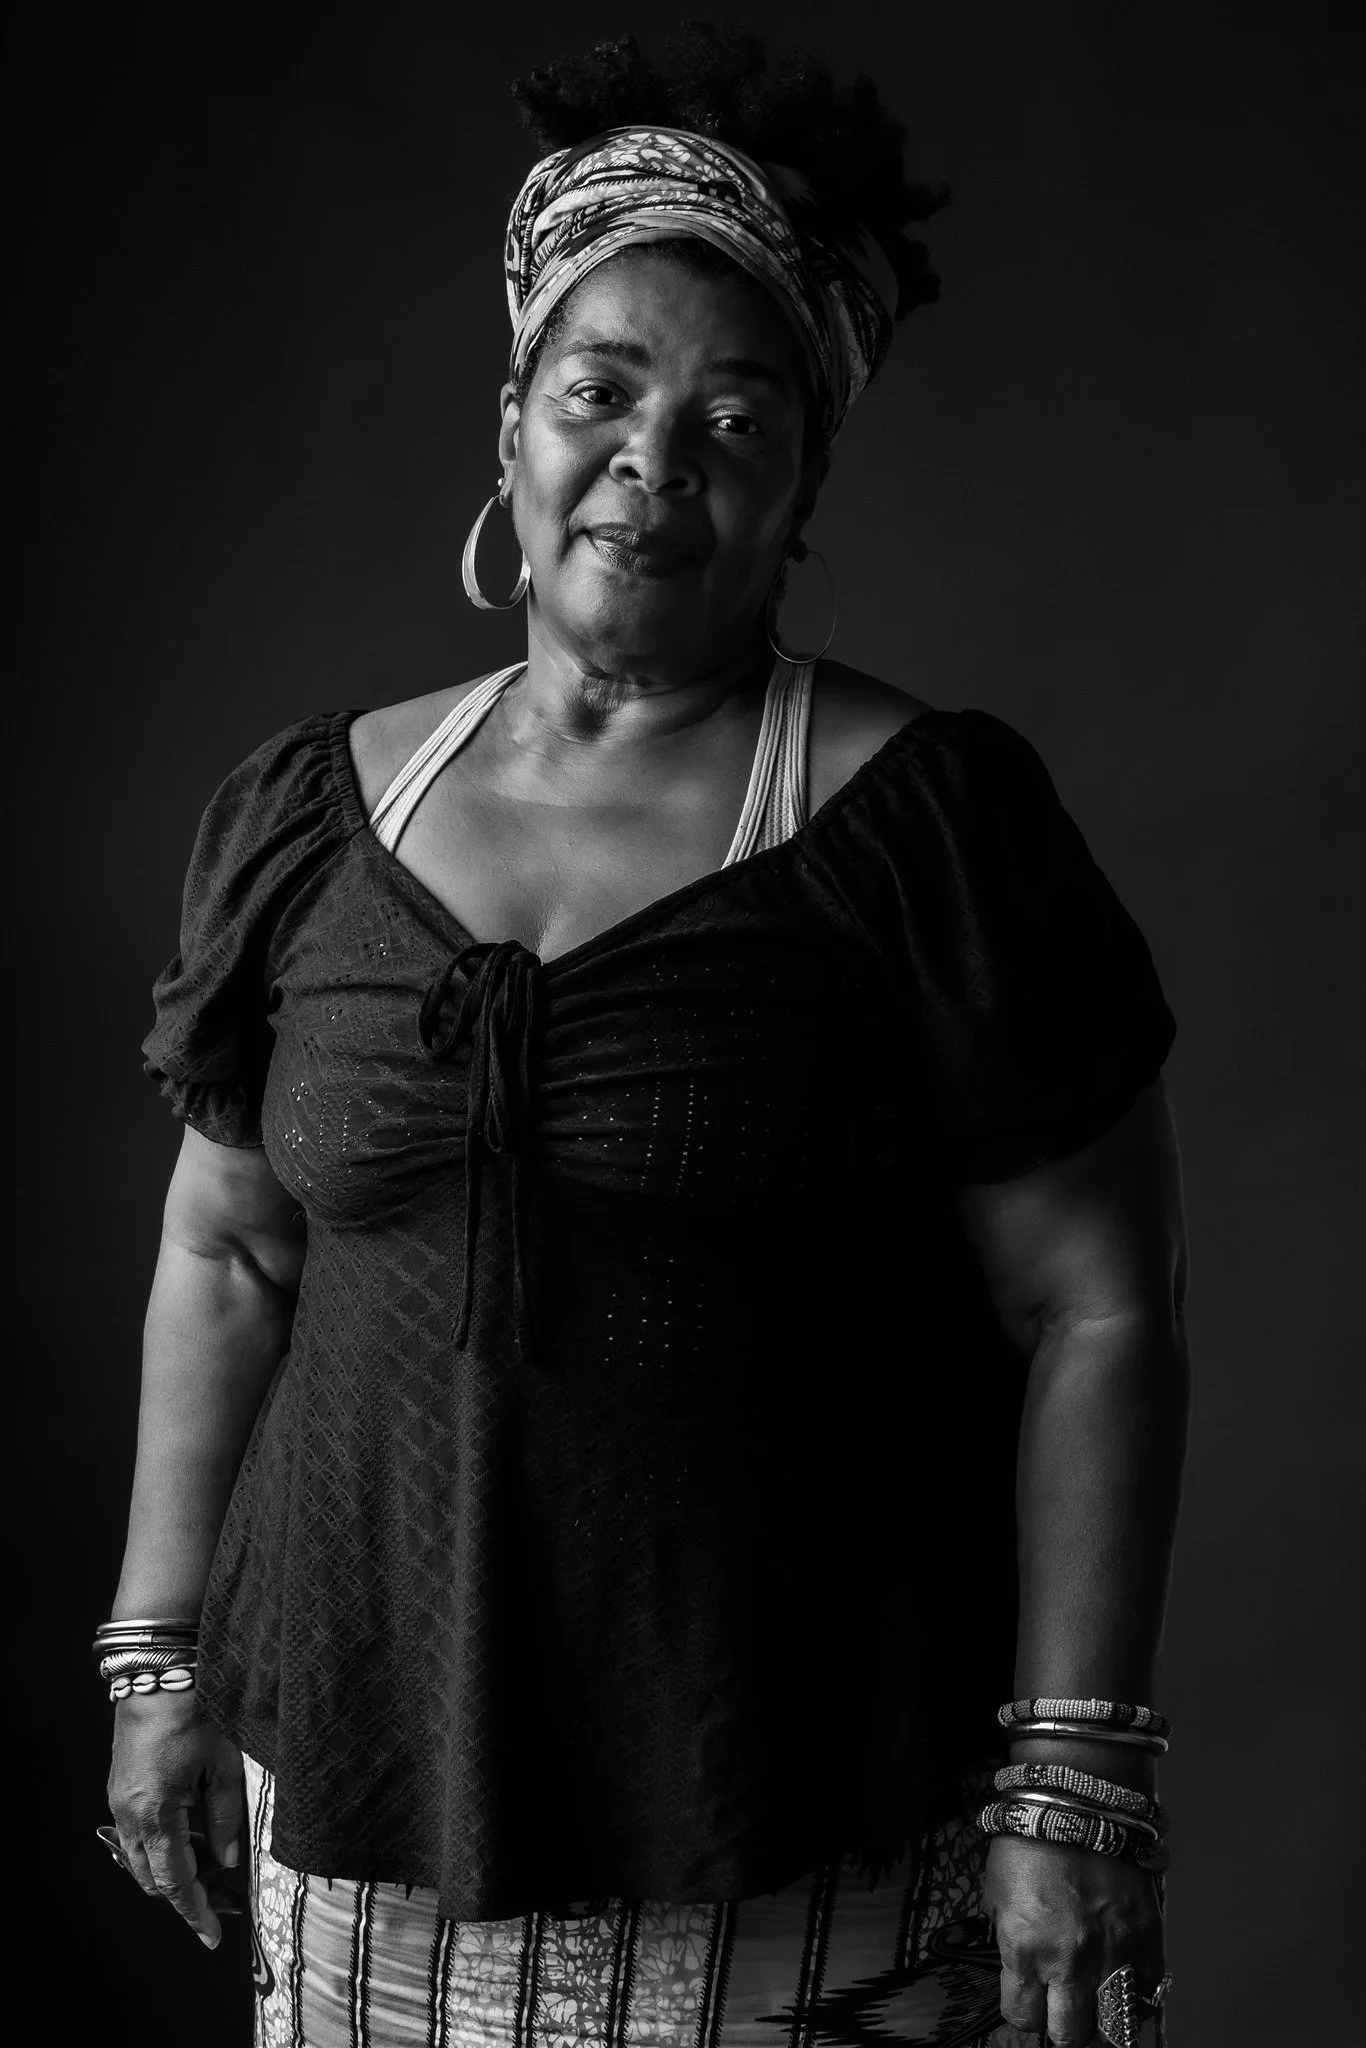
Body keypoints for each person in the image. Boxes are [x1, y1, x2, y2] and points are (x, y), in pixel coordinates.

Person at [101, 25, 1189, 2048]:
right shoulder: (313, 813)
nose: (651, 464)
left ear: (798, 489)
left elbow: (1095, 1309)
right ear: (507, 420)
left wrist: (1073, 1772)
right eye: (597, 391)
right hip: (351, 1820)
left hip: (791, 1834)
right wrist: (156, 1659)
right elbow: (227, 1245)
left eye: (734, 420)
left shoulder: (922, 828)